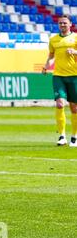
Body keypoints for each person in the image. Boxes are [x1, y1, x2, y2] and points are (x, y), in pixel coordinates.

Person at [42, 14, 77, 147]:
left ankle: (74, 136)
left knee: (74, 108)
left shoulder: (75, 38)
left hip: (74, 76)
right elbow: (51, 55)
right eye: (60, 23)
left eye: (64, 23)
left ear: (70, 24)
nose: (62, 25)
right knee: (60, 104)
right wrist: (46, 65)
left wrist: (74, 52)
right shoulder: (53, 39)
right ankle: (62, 136)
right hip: (59, 76)